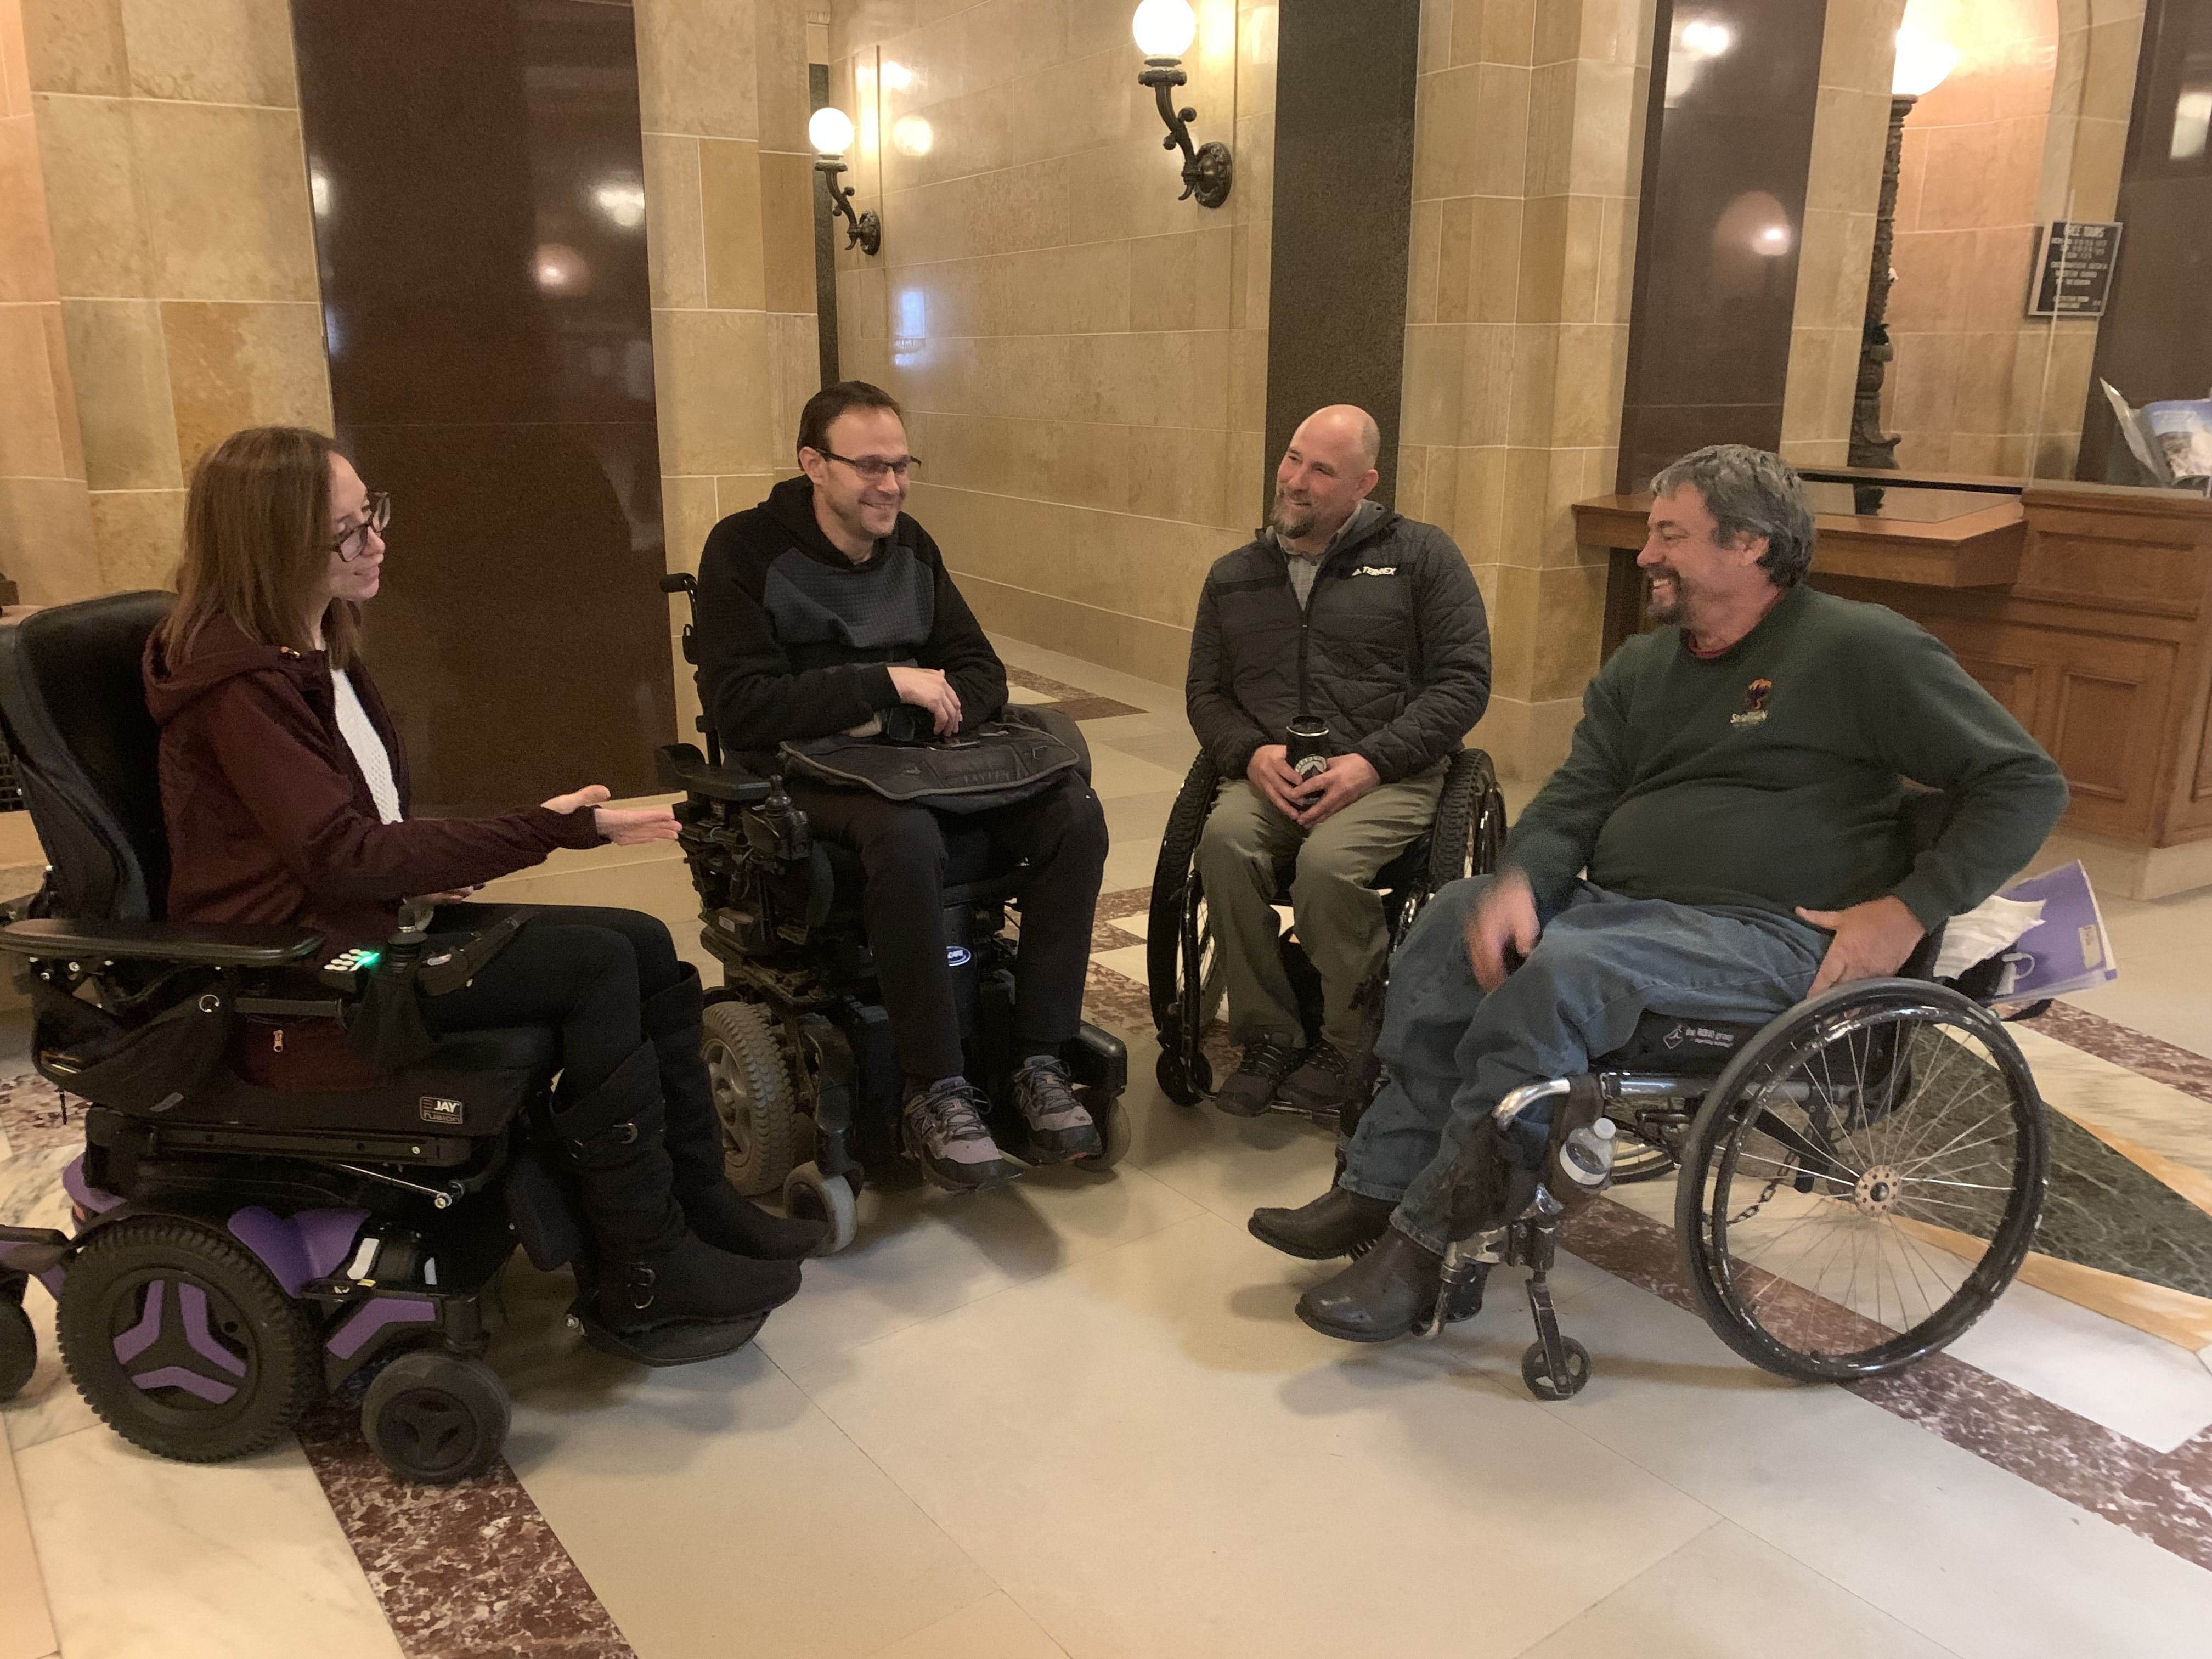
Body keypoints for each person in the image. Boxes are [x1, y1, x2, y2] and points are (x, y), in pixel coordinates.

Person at [1249, 443, 2070, 1342]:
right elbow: (1575, 798)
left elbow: (2026, 783)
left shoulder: (1862, 648)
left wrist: (1907, 908)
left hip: (1772, 934)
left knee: (1571, 970)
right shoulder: (1644, 668)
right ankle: (1376, 1188)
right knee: (1454, 918)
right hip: (1632, 912)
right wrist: (1523, 881)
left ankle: (1437, 1243)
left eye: (1669, 535)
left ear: (1751, 545)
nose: (1645, 557)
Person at [145, 426, 822, 1367]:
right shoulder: (241, 682)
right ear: (271, 544)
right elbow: (341, 852)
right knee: (595, 965)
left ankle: (696, 1209)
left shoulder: (313, 641)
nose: (375, 542)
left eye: (370, 513)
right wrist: (549, 828)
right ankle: (642, 1271)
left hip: (357, 928)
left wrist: (429, 864)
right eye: (345, 532)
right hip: (309, 980)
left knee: (638, 942)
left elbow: (353, 829)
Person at [691, 381, 1110, 1192]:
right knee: (905, 835)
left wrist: (898, 722)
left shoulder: (910, 546)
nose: (891, 484)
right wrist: (887, 681)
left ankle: (1037, 1059)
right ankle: (935, 1087)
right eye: (870, 467)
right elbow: (740, 708)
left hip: (912, 758)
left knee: (1072, 816)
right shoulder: (743, 550)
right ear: (814, 464)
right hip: (805, 770)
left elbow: (980, 672)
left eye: (901, 464)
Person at [1185, 404, 1491, 1118]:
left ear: (1363, 484)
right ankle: (1269, 1029)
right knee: (1223, 845)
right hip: (1272, 776)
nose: (1295, 480)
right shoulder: (1236, 575)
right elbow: (1205, 693)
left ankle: (1350, 1038)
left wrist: (1372, 763)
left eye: (1321, 469)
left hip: (1389, 776)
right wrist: (1249, 752)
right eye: (1293, 458)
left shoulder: (1420, 558)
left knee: (1328, 866)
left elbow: (1464, 680)